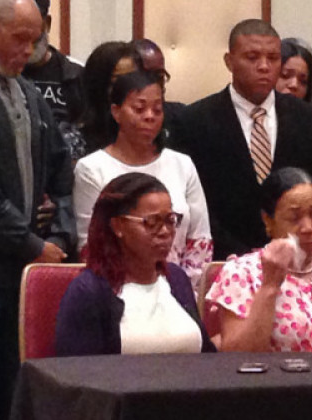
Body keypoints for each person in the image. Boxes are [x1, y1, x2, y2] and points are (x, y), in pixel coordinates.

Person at [0, 0, 74, 418]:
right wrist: (30, 243)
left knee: (16, 397)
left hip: (22, 274)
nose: (29, 50)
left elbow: (62, 175)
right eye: (20, 39)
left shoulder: (29, 94)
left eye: (36, 39)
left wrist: (58, 235)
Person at [173, 19, 312, 261]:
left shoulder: (310, 119)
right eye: (252, 57)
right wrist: (242, 255)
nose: (263, 66)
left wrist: (300, 242)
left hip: (300, 257)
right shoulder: (195, 120)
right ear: (229, 61)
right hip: (226, 259)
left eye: (272, 58)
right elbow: (195, 202)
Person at [73, 71, 212, 287]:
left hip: (180, 287)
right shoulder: (92, 169)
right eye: (139, 109)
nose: (149, 116)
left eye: (157, 109)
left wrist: (182, 288)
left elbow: (200, 240)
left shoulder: (182, 164)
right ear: (116, 112)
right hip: (116, 287)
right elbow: (90, 245)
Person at [57, 173, 216, 356]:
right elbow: (75, 375)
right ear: (118, 226)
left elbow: (206, 357)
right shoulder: (89, 291)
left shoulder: (176, 279)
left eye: (170, 220)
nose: (165, 232)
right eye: (152, 222)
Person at [206, 167, 312, 352]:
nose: (308, 227)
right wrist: (270, 285)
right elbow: (237, 357)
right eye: (294, 218)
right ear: (268, 221)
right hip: (275, 380)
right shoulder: (241, 273)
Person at [22, 0, 85, 162]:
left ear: (47, 23)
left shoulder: (76, 74)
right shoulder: (3, 74)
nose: (27, 47)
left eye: (33, 37)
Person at [80, 41, 140, 154]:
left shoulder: (148, 132)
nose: (129, 89)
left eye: (134, 79)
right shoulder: (77, 141)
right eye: (118, 81)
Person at [132, 38, 186, 143]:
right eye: (145, 75)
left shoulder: (181, 117)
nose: (153, 83)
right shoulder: (119, 118)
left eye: (159, 76)